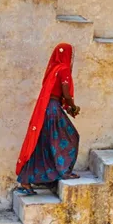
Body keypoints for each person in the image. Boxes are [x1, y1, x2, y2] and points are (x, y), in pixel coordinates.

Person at [16, 43, 81, 195]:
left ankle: (25, 180)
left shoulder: (53, 70)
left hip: (48, 108)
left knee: (42, 143)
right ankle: (63, 170)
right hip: (53, 109)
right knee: (72, 136)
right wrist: (73, 106)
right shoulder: (63, 69)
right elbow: (65, 93)